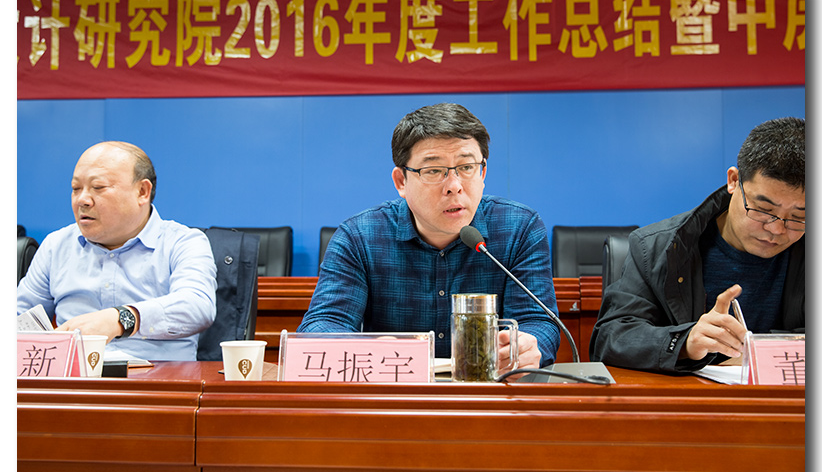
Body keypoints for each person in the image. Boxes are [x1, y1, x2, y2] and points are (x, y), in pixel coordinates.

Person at [297, 103, 560, 372]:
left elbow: (538, 321)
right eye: (433, 170)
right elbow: (323, 324)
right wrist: (369, 349)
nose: (454, 186)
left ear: (482, 173)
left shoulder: (519, 228)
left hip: (488, 389)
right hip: (396, 388)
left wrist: (527, 346)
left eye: (466, 167)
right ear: (401, 181)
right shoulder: (359, 237)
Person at [590, 117, 805, 373]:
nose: (777, 229)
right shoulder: (657, 247)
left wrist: (760, 351)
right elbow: (611, 338)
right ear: (734, 181)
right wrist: (685, 342)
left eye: (799, 217)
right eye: (763, 209)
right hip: (690, 395)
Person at [17, 141, 218, 361]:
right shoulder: (57, 245)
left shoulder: (183, 242)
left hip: (160, 377)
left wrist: (121, 319)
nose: (82, 200)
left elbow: (197, 306)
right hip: (75, 376)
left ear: (142, 192)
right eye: (76, 189)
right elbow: (20, 317)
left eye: (98, 187)